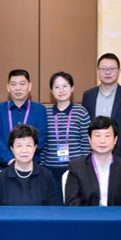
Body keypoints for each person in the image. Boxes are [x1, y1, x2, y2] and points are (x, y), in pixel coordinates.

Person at [64, 117, 121, 206]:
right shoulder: (76, 167)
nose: (102, 141)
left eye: (107, 136)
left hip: (117, 215)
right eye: (97, 135)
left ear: (115, 140)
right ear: (89, 139)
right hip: (87, 215)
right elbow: (72, 204)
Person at [82, 53, 121, 163]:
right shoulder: (88, 96)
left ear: (119, 71)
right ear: (97, 71)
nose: (107, 72)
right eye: (103, 69)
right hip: (93, 158)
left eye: (112, 69)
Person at [42, 72, 91, 204]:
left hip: (75, 170)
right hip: (50, 170)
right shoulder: (45, 113)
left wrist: (83, 167)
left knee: (74, 207)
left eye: (65, 86)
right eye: (57, 87)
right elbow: (42, 143)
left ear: (72, 88)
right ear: (52, 91)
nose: (61, 90)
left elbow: (86, 143)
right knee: (55, 207)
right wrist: (42, 167)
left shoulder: (81, 112)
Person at [0, 69, 48, 173]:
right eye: (13, 84)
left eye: (22, 84)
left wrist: (23, 158)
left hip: (32, 165)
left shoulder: (40, 109)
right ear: (8, 87)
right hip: (5, 164)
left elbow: (41, 138)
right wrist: (11, 159)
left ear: (29, 86)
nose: (18, 88)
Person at [0, 124, 57, 206]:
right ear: (12, 149)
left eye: (28, 145)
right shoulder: (1, 178)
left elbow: (52, 209)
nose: (24, 150)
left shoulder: (46, 176)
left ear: (35, 148)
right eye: (19, 146)